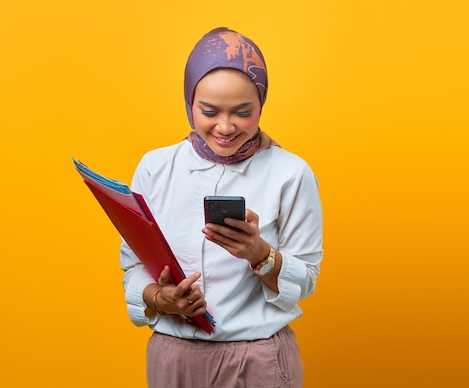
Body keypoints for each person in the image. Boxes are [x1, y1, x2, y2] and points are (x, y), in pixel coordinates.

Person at [120, 27, 323, 388]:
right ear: (189, 102)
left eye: (243, 112)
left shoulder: (292, 173)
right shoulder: (154, 167)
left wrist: (259, 253)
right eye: (209, 111)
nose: (225, 127)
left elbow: (305, 279)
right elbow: (135, 264)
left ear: (261, 103)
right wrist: (159, 299)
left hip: (258, 361)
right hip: (173, 358)